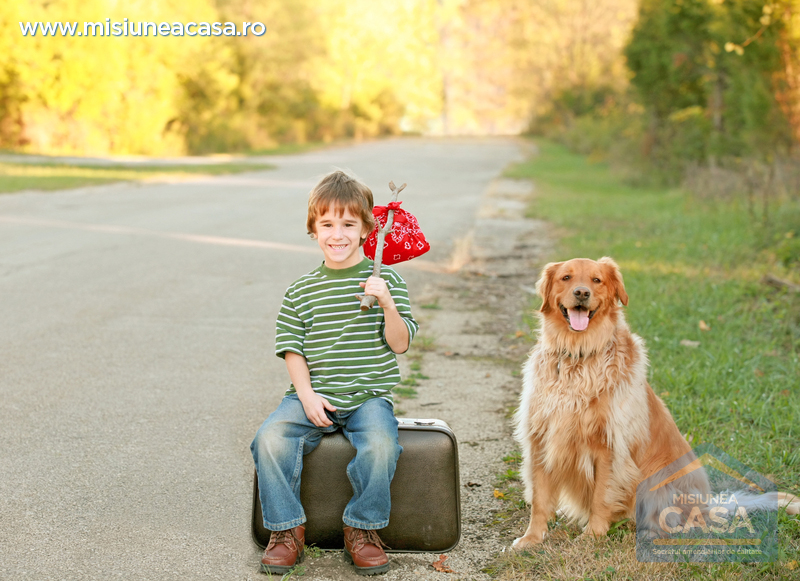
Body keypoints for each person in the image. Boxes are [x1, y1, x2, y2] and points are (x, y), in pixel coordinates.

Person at [251, 170, 419, 576]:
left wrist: (388, 305)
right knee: (269, 439)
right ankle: (286, 530)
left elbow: (400, 344)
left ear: (366, 229)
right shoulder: (301, 289)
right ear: (314, 229)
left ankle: (361, 528)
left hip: (367, 397)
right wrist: (306, 396)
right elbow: (292, 349)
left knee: (381, 446)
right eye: (327, 224)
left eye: (348, 224)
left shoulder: (385, 280)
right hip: (313, 393)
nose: (337, 234)